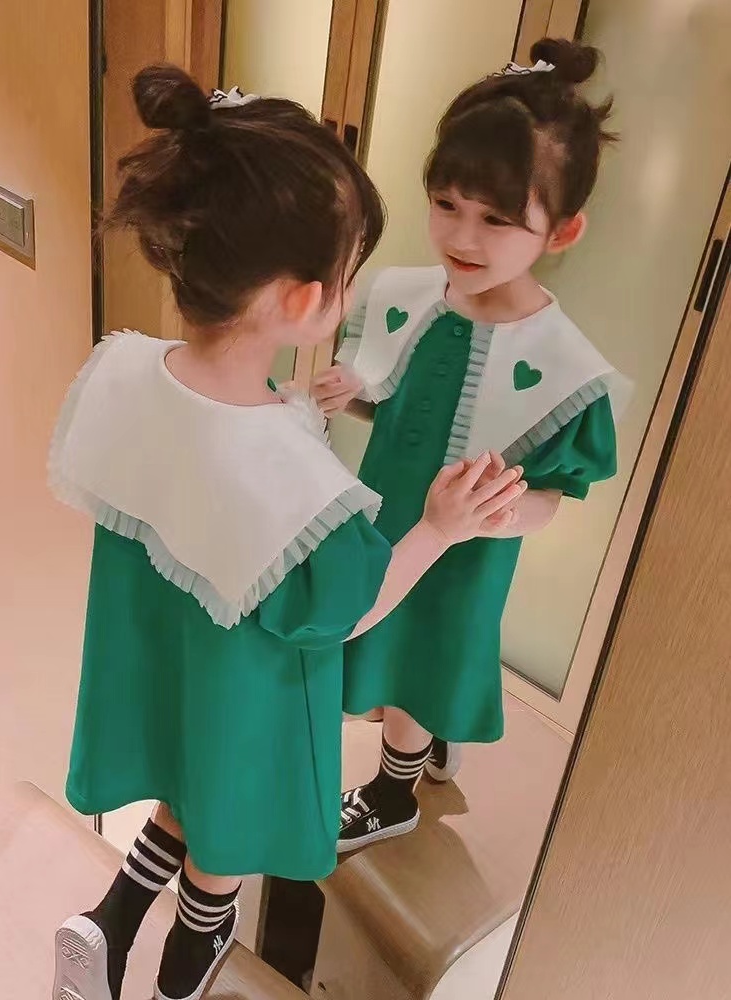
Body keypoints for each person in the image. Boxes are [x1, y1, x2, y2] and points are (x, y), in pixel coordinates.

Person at [49, 66, 523, 1000]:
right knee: (223, 839)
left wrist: (302, 410)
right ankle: (183, 975)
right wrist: (439, 526)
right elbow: (346, 612)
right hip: (246, 694)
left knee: (182, 793)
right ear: (307, 301)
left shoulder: (126, 373)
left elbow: (194, 463)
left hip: (164, 667)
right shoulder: (295, 482)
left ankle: (105, 924)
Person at [312, 38, 628, 852]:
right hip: (390, 515)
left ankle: (393, 791)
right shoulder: (410, 300)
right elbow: (396, 408)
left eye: (497, 219)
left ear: (562, 231)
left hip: (467, 553)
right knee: (389, 639)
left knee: (427, 649)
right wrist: (352, 391)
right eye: (446, 204)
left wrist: (494, 515)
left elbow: (556, 497)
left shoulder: (561, 365)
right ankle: (423, 744)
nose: (463, 236)